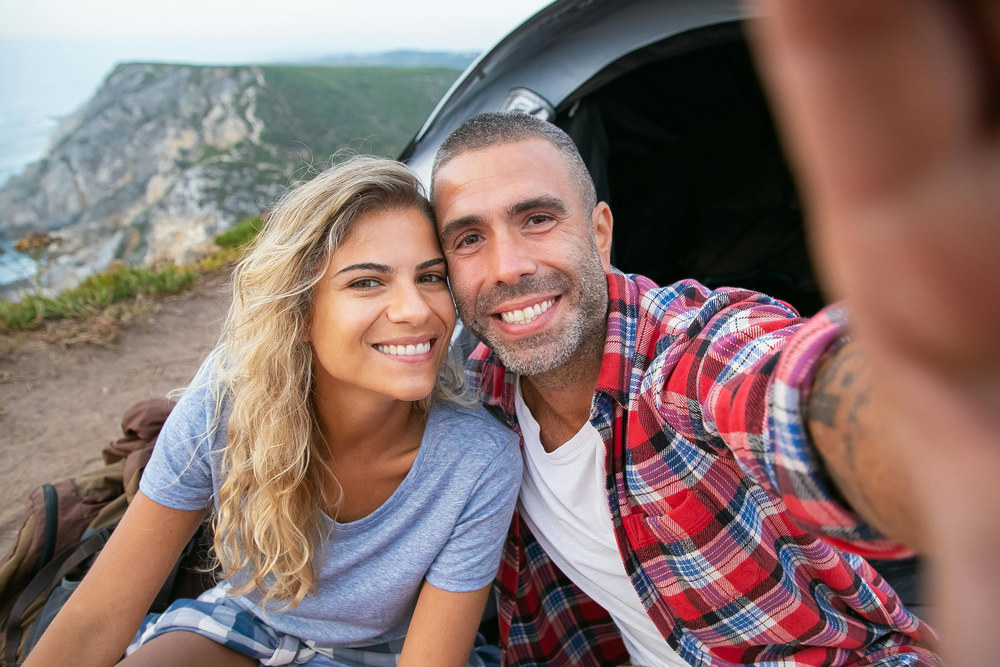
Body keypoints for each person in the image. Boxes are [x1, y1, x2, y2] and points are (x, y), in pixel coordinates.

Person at [429, 3, 998, 665]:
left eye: (536, 219)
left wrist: (932, 407)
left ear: (601, 233)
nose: (507, 267)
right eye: (469, 238)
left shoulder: (688, 352)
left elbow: (775, 387)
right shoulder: (479, 399)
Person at [24, 156, 521, 667]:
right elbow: (97, 620)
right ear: (299, 312)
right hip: (246, 621)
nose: (415, 310)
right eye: (366, 282)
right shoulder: (226, 400)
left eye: (430, 277)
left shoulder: (478, 459)